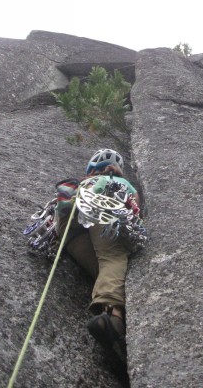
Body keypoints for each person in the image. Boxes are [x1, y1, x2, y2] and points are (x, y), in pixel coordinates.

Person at [57, 148, 141, 361]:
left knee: (106, 269)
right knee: (112, 258)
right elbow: (134, 207)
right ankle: (113, 317)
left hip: (70, 231)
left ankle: (118, 341)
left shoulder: (84, 182)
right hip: (100, 212)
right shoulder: (120, 182)